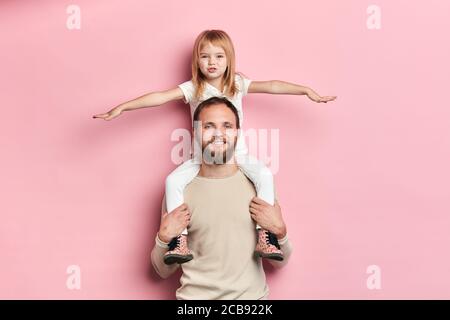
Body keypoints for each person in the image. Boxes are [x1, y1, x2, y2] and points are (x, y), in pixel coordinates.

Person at [93, 29, 336, 264]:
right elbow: (160, 96)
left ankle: (265, 236)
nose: (212, 62)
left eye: (219, 56)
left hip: (236, 156)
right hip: (201, 158)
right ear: (196, 60)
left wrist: (305, 91)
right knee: (172, 182)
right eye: (205, 56)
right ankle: (180, 240)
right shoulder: (193, 88)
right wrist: (123, 107)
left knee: (264, 174)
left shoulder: (237, 84)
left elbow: (271, 85)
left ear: (229, 60)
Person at [151, 97, 293, 300]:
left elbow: (280, 262)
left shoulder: (260, 186)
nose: (219, 133)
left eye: (227, 126)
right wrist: (163, 238)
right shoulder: (178, 190)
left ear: (238, 132)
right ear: (196, 131)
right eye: (208, 126)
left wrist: (280, 232)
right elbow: (162, 271)